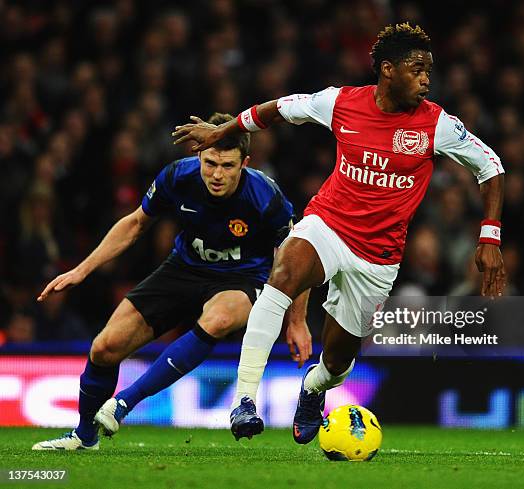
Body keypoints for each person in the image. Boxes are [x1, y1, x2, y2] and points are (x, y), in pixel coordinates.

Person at [172, 22, 506, 443]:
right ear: (388, 69)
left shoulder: (436, 124)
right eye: (417, 68)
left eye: (429, 70)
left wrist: (490, 236)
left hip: (378, 257)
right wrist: (226, 131)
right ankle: (244, 402)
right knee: (283, 274)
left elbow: (490, 166)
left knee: (338, 361)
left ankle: (313, 389)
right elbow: (278, 108)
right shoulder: (340, 103)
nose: (426, 79)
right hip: (328, 224)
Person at [32, 113, 311, 450]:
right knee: (104, 349)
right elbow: (135, 223)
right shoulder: (177, 176)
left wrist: (296, 321)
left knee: (220, 318)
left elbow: (297, 256)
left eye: (227, 165)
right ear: (199, 156)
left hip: (243, 277)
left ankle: (124, 403)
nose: (217, 174)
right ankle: (84, 436)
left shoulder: (266, 197)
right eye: (210, 163)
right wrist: (82, 269)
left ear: (245, 163)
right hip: (183, 268)